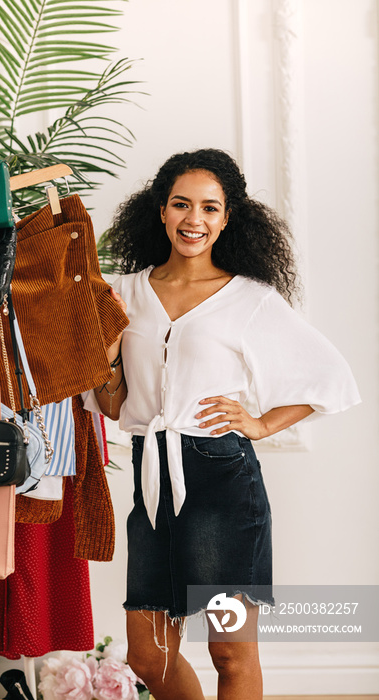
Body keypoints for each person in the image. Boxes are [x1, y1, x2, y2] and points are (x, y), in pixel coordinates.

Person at [84, 148, 360, 700]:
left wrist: (259, 424)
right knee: (149, 653)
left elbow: (330, 375)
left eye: (210, 208)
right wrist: (110, 358)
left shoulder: (250, 299)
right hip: (152, 479)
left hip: (223, 484)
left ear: (228, 218)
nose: (194, 220)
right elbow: (114, 406)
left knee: (230, 652)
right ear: (160, 211)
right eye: (181, 205)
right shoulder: (124, 293)